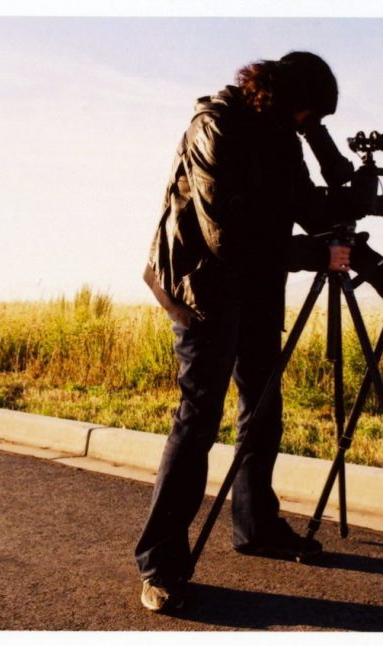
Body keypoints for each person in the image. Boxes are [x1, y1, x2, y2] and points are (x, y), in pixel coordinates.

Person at [137, 51, 362, 613]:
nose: (309, 126)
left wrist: (354, 194)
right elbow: (226, 238)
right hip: (201, 285)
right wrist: (316, 253)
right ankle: (160, 562)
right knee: (200, 415)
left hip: (257, 280)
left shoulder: (282, 135)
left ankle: (255, 525)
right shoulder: (215, 126)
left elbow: (308, 208)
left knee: (263, 405)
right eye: (308, 115)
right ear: (288, 100)